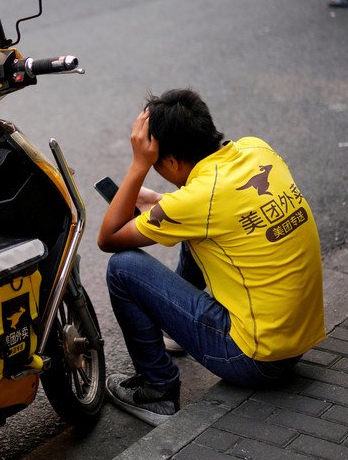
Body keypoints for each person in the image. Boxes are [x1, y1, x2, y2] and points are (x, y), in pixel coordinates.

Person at [97, 88, 325, 427]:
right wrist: (162, 201)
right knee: (199, 233)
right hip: (296, 339)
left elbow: (109, 239)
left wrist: (138, 166)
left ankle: (157, 391)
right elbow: (216, 208)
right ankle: (178, 332)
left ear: (171, 161)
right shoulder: (256, 148)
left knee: (123, 268)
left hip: (255, 360)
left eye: (158, 165)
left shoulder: (196, 202)